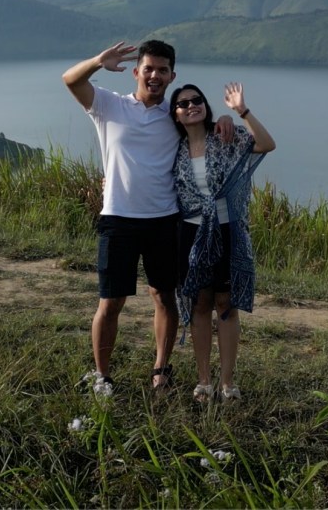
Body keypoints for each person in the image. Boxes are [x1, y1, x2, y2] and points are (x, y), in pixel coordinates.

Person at [62, 40, 233, 395]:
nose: (155, 76)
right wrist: (96, 60)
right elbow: (70, 80)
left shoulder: (173, 117)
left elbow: (203, 125)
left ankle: (161, 370)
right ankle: (102, 377)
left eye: (163, 70)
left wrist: (228, 118)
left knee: (164, 297)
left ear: (172, 75)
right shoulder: (109, 105)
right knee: (110, 302)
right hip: (118, 219)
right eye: (149, 69)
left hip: (163, 220)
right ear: (137, 71)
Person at [170, 80, 275, 403]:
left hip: (227, 231)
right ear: (175, 115)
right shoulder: (173, 148)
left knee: (225, 307)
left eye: (196, 100)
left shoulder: (225, 137)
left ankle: (227, 383)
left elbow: (266, 144)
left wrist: (240, 111)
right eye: (183, 103)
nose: (191, 106)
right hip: (190, 233)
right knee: (199, 305)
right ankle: (204, 380)